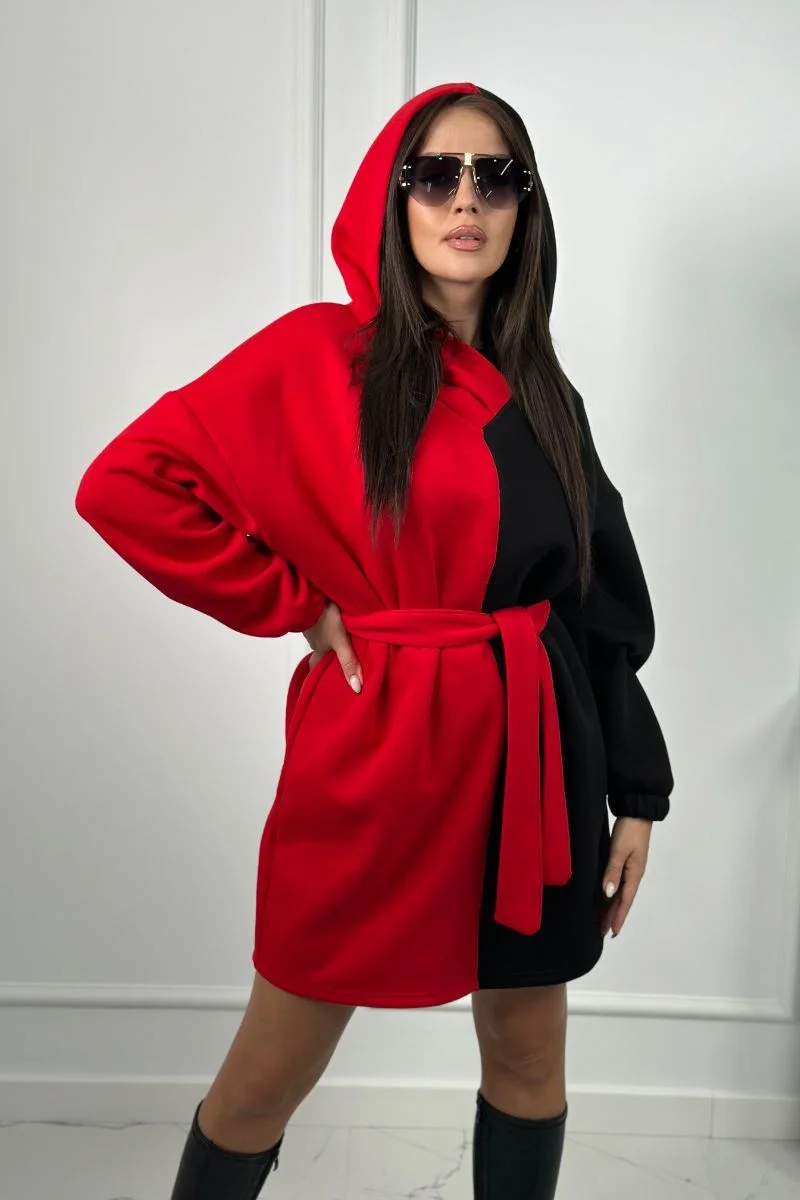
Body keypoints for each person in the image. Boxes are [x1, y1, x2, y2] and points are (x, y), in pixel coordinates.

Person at [74, 80, 673, 1199]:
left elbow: (599, 604)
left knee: (528, 1052)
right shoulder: (317, 355)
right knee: (266, 1071)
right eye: (435, 175)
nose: (466, 200)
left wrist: (637, 791)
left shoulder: (545, 395)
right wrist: (296, 605)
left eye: (496, 177)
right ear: (390, 201)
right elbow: (126, 485)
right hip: (377, 750)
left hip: (534, 758)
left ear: (524, 208)